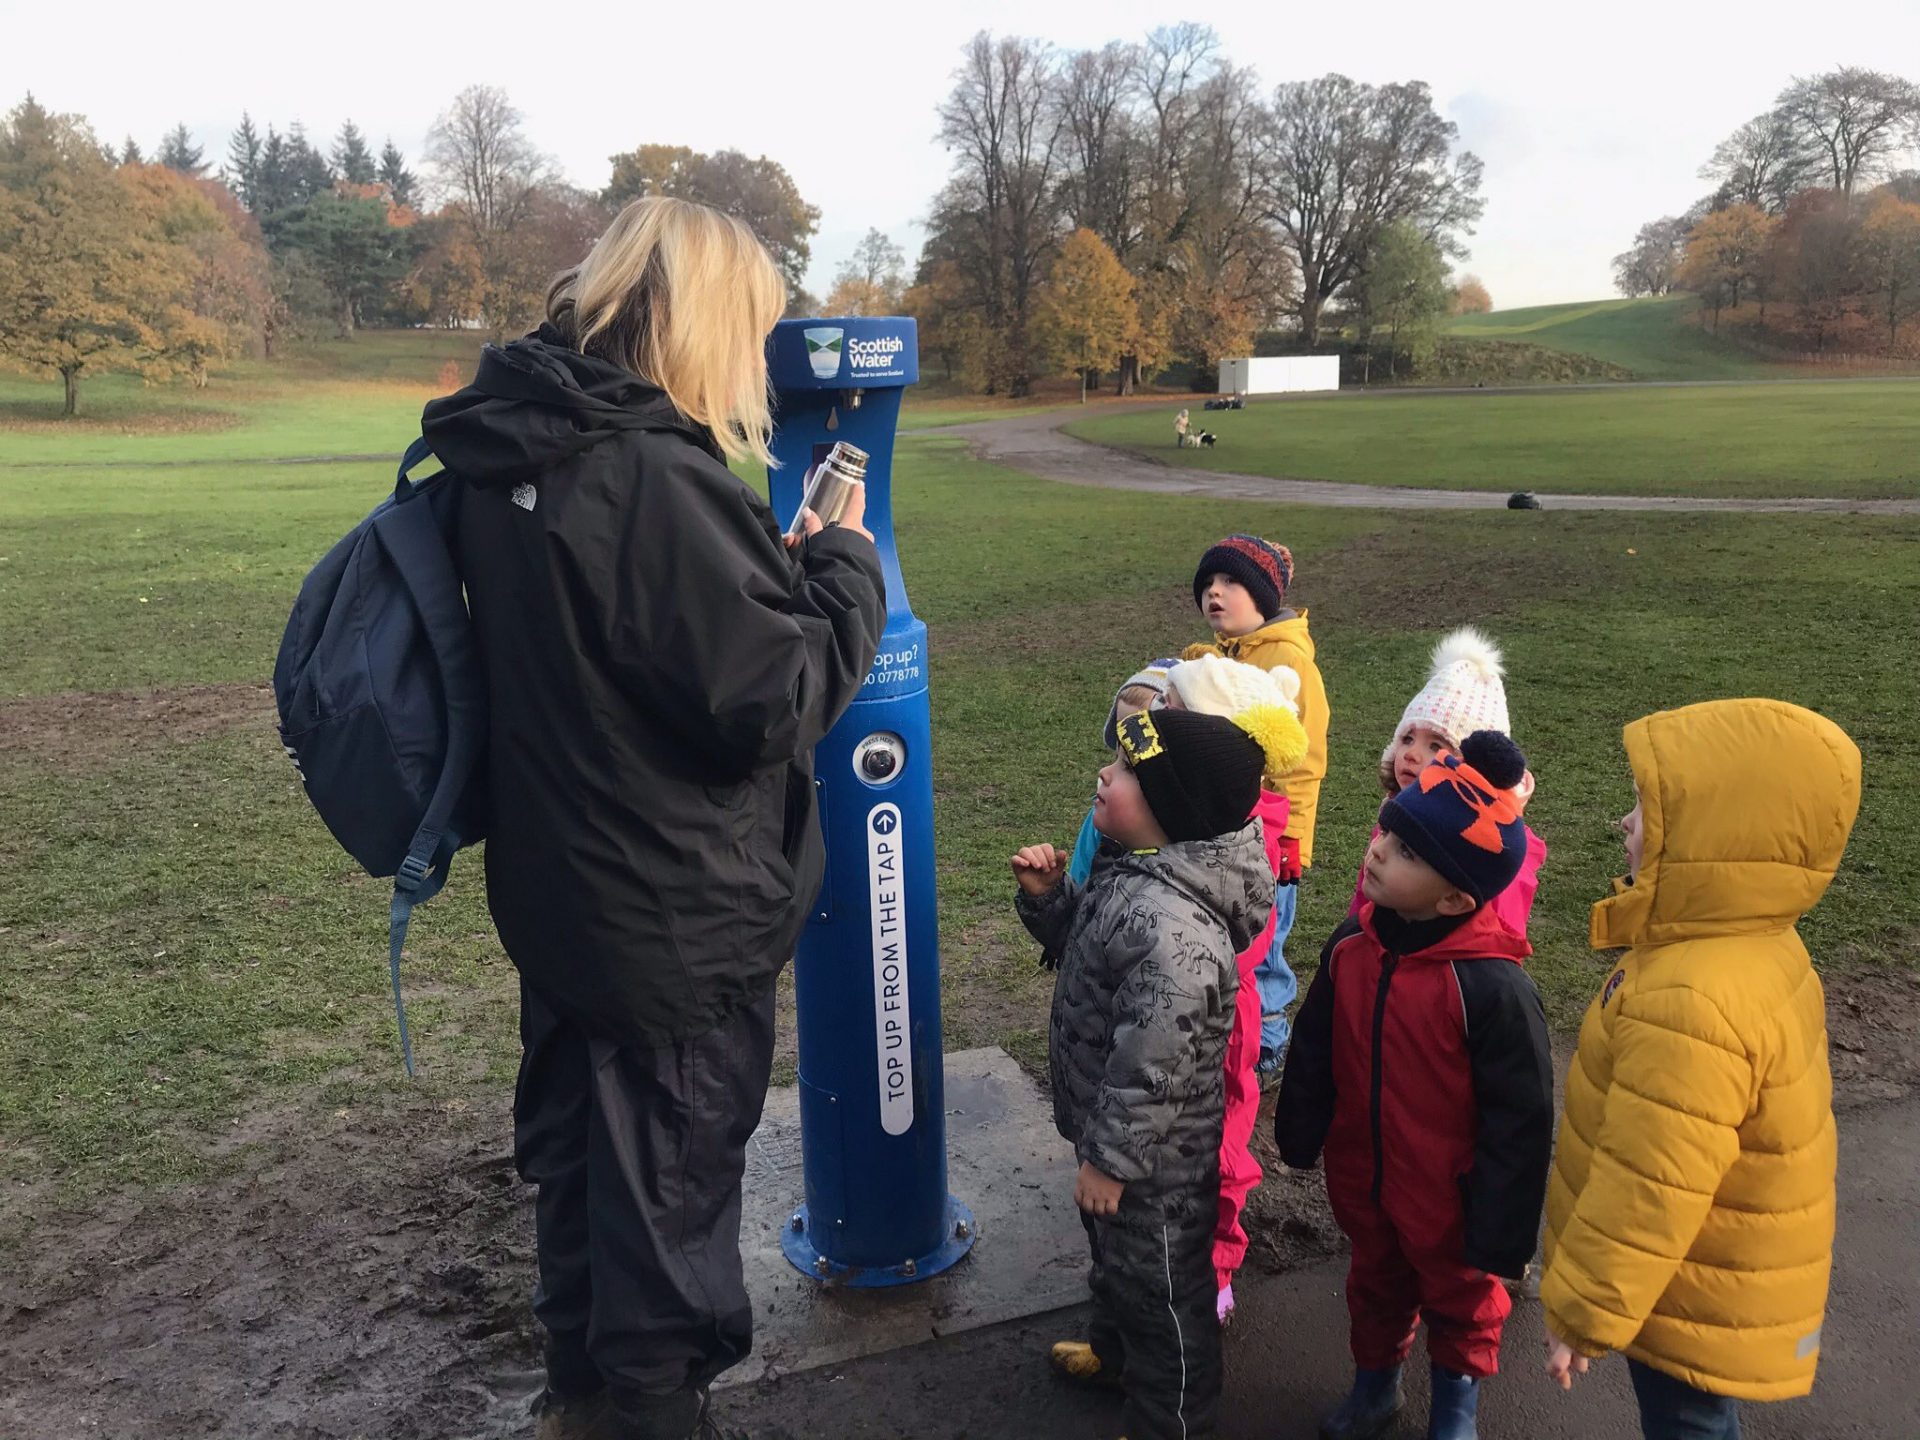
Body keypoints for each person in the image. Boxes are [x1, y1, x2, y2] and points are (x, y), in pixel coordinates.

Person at [424, 196, 886, 1440]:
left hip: (565, 903)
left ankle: (581, 1407)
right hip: (672, 928)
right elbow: (773, 699)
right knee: (666, 1239)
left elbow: (621, 645)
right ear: (699, 324)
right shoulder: (652, 475)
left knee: (584, 1189)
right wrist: (843, 567)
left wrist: (755, 576)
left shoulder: (514, 448)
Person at [1540, 699, 1862, 1440]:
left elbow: (1649, 1183)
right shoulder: (1754, 944)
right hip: (1715, 1268)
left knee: (1688, 1423)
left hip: (1687, 1287)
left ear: (1724, 833)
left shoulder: (1692, 999)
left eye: (1649, 809)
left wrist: (1583, 1315)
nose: (1623, 821)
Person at [1014, 707, 1288, 1440]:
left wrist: (1111, 1161)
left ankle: (1172, 1420)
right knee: (1116, 1265)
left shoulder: (1175, 933)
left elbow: (1153, 1066)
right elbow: (1084, 946)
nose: (1107, 773)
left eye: (1129, 770)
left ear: (1174, 810)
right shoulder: (1134, 869)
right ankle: (1112, 1352)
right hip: (1111, 1138)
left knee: (1163, 1296)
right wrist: (1049, 903)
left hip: (1150, 1165)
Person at [1278, 731, 1554, 1440]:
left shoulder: (1492, 989)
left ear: (1457, 898)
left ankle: (1455, 1414)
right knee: (1374, 1285)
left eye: (1404, 853)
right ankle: (1375, 1390)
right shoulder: (1352, 944)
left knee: (1463, 1301)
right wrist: (1302, 1127)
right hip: (1366, 1177)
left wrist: (1501, 1228)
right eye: (1388, 834)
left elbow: (1521, 1120)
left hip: (1451, 1199)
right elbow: (1315, 1043)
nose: (1377, 851)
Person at [1163, 655, 1308, 1325]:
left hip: (1218, 1020)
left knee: (1217, 1150)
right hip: (1166, 1014)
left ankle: (1215, 1270)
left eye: (1174, 717)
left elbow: (1235, 942)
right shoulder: (1178, 813)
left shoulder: (1246, 834)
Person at [1186, 534, 1330, 1084]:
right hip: (1225, 826)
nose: (1215, 594)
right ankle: (1232, 1025)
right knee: (1231, 932)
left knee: (1264, 938)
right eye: (1208, 586)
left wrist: (1291, 836)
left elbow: (1303, 759)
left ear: (1263, 597)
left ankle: (1269, 1037)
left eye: (1230, 583)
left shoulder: (1289, 659)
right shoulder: (1221, 653)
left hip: (1272, 838)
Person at [1348, 628, 1547, 939]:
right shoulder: (1398, 809)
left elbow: (1499, 938)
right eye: (1408, 738)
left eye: (1436, 746)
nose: (1411, 754)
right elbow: (1366, 902)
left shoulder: (1492, 852)